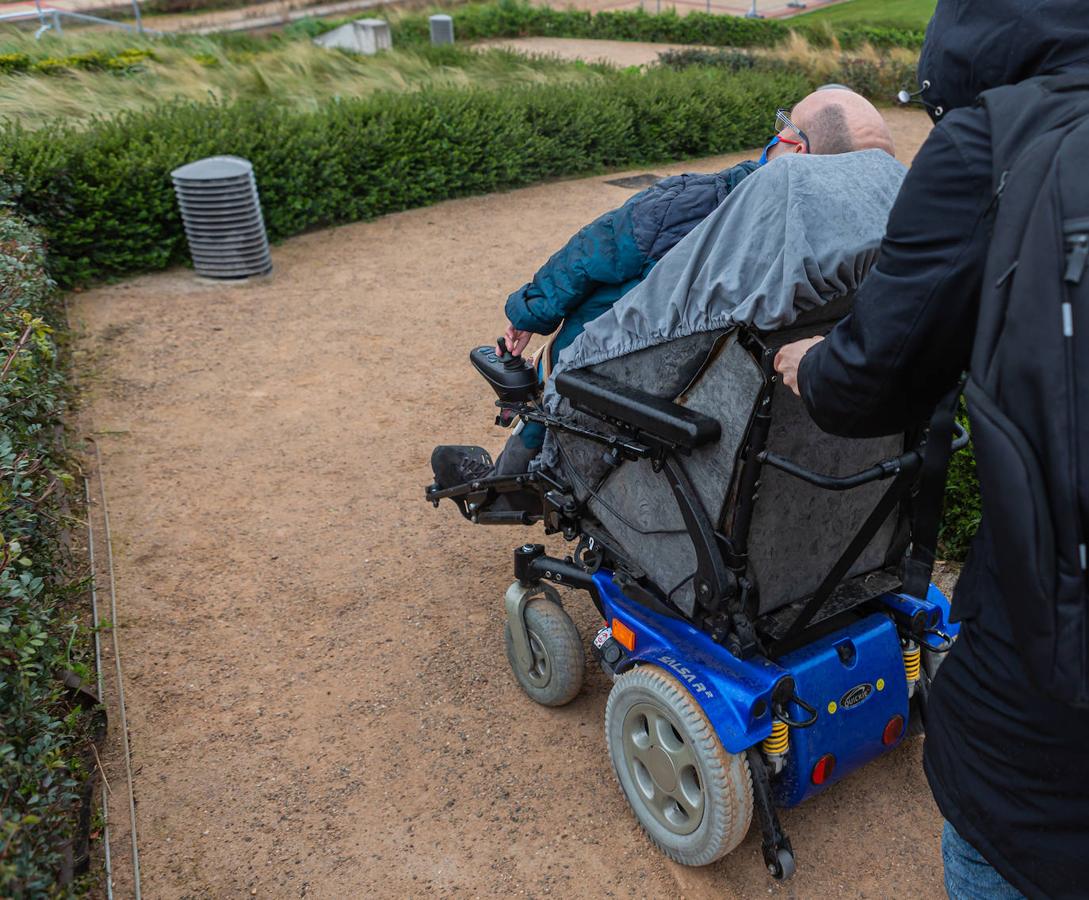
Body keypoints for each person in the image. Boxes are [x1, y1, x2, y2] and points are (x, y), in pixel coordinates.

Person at [773, 2, 1089, 897]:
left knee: (1010, 831)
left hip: (1047, 685)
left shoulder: (1000, 140)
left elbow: (874, 377)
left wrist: (812, 364)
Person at [432, 86, 896, 490]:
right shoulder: (878, 258)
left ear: (794, 151)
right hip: (756, 429)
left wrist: (529, 312)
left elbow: (596, 251)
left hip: (623, 381)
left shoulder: (693, 201)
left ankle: (514, 478)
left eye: (784, 125)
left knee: (568, 361)